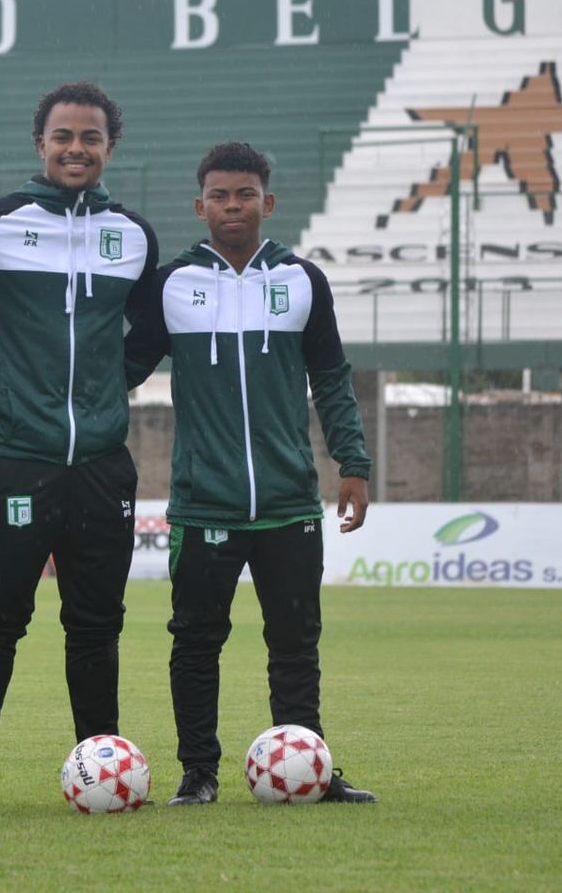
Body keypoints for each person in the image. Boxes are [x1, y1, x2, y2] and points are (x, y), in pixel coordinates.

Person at [0, 82, 160, 810]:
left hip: (101, 463)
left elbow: (151, 330)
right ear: (40, 143)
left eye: (90, 138)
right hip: (17, 457)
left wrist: (109, 384)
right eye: (63, 137)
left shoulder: (133, 235)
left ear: (109, 147)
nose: (76, 149)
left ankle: (102, 762)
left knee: (96, 625)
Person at [123, 141, 377, 805]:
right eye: (218, 195)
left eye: (244, 195)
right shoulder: (171, 285)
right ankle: (197, 773)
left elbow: (331, 378)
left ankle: (309, 771)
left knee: (295, 646)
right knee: (195, 643)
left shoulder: (301, 281)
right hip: (204, 505)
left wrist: (352, 462)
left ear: (267, 203)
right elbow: (117, 371)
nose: (231, 206)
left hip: (290, 502)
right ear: (199, 205)